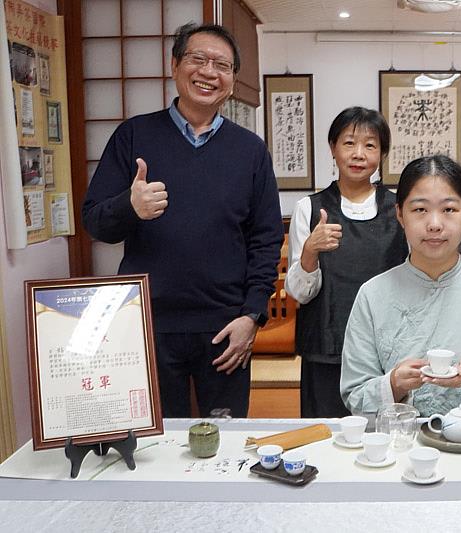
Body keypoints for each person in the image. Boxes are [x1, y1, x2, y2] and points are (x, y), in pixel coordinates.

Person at [82, 23, 283, 418]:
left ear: (231, 80)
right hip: (149, 324)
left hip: (226, 327)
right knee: (155, 445)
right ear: (175, 65)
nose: (209, 72)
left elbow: (266, 239)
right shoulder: (134, 135)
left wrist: (252, 316)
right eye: (198, 59)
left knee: (224, 446)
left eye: (222, 65)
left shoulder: (250, 150)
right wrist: (129, 206)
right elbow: (95, 222)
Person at [340, 155, 461, 417]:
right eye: (420, 209)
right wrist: (394, 383)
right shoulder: (373, 294)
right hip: (400, 447)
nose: (434, 224)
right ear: (400, 214)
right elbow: (355, 393)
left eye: (449, 210)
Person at [286, 106, 407, 418]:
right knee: (325, 437)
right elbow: (300, 294)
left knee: (382, 437)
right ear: (333, 148)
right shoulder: (308, 209)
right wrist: (311, 251)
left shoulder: (400, 209)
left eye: (370, 145)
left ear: (382, 154)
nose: (358, 154)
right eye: (349, 143)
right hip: (326, 346)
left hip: (385, 348)